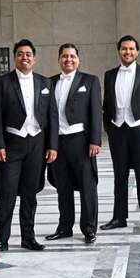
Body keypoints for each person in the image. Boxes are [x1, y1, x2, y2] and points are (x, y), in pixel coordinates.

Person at [0, 39, 58, 253]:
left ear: (34, 59)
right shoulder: (2, 82)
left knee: (30, 193)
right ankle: (2, 238)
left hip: (36, 144)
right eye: (20, 54)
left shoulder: (45, 83)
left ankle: (29, 237)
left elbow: (52, 116)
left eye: (28, 54)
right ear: (15, 58)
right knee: (7, 193)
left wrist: (52, 145)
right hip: (11, 144)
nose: (24, 57)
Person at [100, 35, 140, 234]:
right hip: (118, 130)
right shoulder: (109, 75)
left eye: (131, 49)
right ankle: (119, 217)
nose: (128, 52)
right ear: (118, 51)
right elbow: (107, 104)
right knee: (120, 177)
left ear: (137, 52)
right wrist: (109, 127)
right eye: (124, 49)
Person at [45, 43, 102, 244]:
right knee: (63, 187)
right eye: (64, 56)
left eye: (72, 56)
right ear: (59, 59)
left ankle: (89, 229)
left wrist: (95, 140)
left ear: (78, 59)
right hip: (57, 142)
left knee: (88, 186)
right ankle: (64, 227)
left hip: (81, 141)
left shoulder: (90, 81)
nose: (68, 59)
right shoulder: (50, 82)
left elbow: (96, 112)